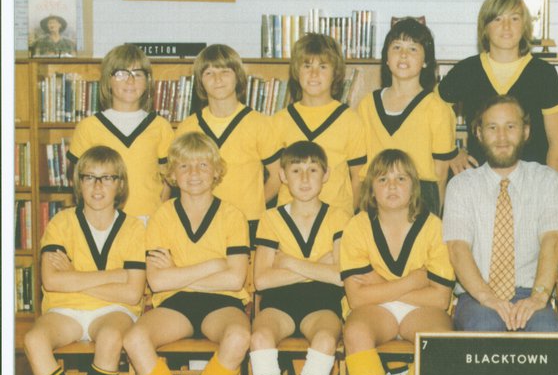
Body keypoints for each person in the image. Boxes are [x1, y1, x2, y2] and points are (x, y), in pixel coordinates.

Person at [123, 132, 251, 375]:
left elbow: (235, 278)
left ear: (216, 170)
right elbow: (157, 280)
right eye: (184, 166)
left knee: (239, 337)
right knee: (134, 338)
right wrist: (213, 264)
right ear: (172, 174)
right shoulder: (162, 216)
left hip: (223, 302)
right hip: (174, 304)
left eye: (202, 165)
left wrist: (179, 272)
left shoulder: (232, 215)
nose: (193, 173)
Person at [25, 146, 146, 375]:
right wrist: (115, 275)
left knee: (111, 337)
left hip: (114, 310)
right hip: (66, 309)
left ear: (120, 184)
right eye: (89, 177)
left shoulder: (134, 228)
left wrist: (76, 275)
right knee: (34, 339)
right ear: (78, 183)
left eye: (107, 178)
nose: (97, 186)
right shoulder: (61, 222)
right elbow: (52, 281)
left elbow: (133, 292)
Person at [340, 149, 455, 375]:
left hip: (419, 310)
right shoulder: (357, 226)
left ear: (414, 186)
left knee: (441, 342)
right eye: (383, 179)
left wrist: (379, 285)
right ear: (371, 188)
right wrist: (412, 281)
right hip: (379, 310)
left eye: (401, 178)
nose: (392, 186)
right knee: (356, 332)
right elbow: (356, 299)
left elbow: (441, 299)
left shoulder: (434, 227)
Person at [243, 141, 352, 375]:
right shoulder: (271, 218)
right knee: (259, 337)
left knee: (325, 340)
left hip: (323, 301)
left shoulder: (339, 216)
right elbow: (262, 281)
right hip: (279, 302)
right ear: (282, 176)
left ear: (326, 175)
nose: (305, 178)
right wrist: (318, 265)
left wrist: (289, 262)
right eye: (296, 170)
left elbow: (341, 277)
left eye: (313, 170)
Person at [443, 95, 558, 333]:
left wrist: (538, 297)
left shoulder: (547, 181)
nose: (502, 137)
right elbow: (457, 249)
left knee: (548, 331)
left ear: (526, 132)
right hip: (476, 295)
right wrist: (487, 297)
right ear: (479, 133)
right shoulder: (461, 186)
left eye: (510, 127)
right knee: (485, 325)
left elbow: (552, 242)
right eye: (492, 127)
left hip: (531, 293)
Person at [438, 0, 558, 172]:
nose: (506, 26)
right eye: (497, 19)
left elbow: (557, 143)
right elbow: (433, 107)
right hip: (480, 177)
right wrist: (451, 152)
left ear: (525, 26)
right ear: (485, 27)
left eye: (514, 18)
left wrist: (550, 184)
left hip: (531, 180)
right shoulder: (467, 70)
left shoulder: (543, 73)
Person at [175, 44, 282, 241]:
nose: (218, 79)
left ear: (238, 76)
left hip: (248, 221)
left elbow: (277, 177)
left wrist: (255, 204)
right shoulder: (187, 127)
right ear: (200, 81)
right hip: (201, 221)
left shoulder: (259, 123)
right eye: (209, 73)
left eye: (225, 71)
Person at [357, 17, 457, 215]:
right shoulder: (367, 105)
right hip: (376, 199)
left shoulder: (437, 109)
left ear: (426, 61)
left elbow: (440, 175)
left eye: (413, 49)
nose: (403, 55)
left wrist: (434, 221)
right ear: (386, 58)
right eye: (396, 47)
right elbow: (360, 168)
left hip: (420, 201)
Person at [68, 43, 173, 221]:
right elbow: (78, 180)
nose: (130, 81)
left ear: (148, 82)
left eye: (138, 74)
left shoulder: (160, 126)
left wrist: (156, 216)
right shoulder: (88, 127)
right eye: (121, 74)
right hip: (104, 221)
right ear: (108, 80)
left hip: (148, 220)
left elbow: (168, 180)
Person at [272, 33, 367, 215]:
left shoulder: (350, 120)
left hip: (335, 220)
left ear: (335, 73)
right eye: (307, 66)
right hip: (289, 221)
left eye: (323, 67)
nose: (314, 74)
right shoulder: (280, 120)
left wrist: (345, 217)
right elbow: (275, 178)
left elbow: (359, 179)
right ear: (296, 71)